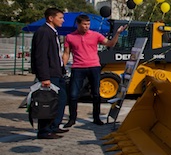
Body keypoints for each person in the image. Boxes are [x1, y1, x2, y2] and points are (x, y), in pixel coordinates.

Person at [62, 14, 126, 127]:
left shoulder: (96, 35)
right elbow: (66, 53)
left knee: (96, 94)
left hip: (94, 66)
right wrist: (62, 66)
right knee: (73, 94)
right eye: (84, 24)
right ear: (78, 24)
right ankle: (72, 119)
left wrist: (117, 33)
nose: (87, 26)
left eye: (88, 24)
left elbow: (110, 43)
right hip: (78, 67)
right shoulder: (70, 37)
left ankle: (96, 118)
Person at [30, 8, 68, 139]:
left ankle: (54, 125)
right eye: (60, 17)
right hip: (49, 74)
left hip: (57, 73)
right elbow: (41, 57)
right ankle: (44, 130)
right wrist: (44, 77)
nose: (62, 20)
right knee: (47, 102)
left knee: (60, 99)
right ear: (51, 18)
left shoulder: (52, 32)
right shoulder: (44, 32)